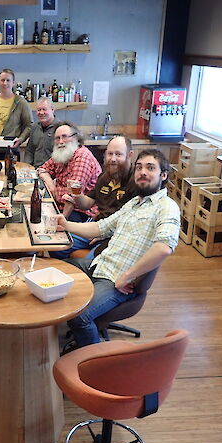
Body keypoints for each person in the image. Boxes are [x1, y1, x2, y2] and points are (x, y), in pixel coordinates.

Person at [58, 149, 180, 351]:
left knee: (80, 317)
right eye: (139, 167)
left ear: (163, 175)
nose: (142, 172)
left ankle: (93, 362)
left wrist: (128, 275)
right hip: (100, 264)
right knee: (57, 270)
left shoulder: (167, 207)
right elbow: (101, 227)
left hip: (117, 280)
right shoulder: (133, 203)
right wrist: (65, 225)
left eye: (150, 168)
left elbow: (164, 247)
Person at [51, 135, 138, 259]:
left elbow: (132, 222)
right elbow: (87, 204)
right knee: (57, 245)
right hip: (96, 227)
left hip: (116, 235)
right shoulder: (104, 177)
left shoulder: (136, 181)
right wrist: (77, 194)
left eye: (118, 154)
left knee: (89, 263)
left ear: (129, 155)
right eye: (110, 154)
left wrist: (105, 233)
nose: (113, 159)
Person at [37, 121, 102, 221]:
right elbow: (41, 169)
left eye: (64, 137)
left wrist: (60, 222)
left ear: (75, 137)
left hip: (79, 212)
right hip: (60, 205)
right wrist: (51, 185)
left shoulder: (82, 157)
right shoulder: (62, 153)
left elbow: (72, 197)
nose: (61, 141)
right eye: (57, 138)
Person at [25, 96, 57, 168]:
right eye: (39, 110)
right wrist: (27, 167)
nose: (41, 112)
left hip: (52, 172)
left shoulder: (59, 129)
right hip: (35, 170)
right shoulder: (34, 127)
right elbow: (29, 150)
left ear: (52, 110)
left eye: (44, 109)